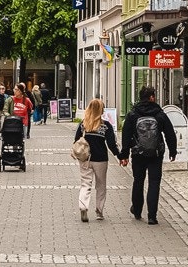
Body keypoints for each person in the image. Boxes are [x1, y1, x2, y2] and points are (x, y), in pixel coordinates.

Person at [120, 85, 178, 225]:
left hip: (138, 153)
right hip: (155, 154)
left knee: (138, 181)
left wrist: (124, 154)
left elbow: (126, 135)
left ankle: (138, 210)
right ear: (152, 97)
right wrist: (173, 150)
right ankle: (152, 216)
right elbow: (170, 133)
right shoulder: (159, 113)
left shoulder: (133, 114)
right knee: (154, 183)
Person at [73, 98, 121, 221]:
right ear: (101, 110)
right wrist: (120, 156)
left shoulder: (83, 125)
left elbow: (76, 141)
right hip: (100, 159)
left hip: (85, 159)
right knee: (101, 185)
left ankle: (83, 206)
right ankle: (99, 211)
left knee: (85, 184)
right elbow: (111, 145)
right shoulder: (106, 126)